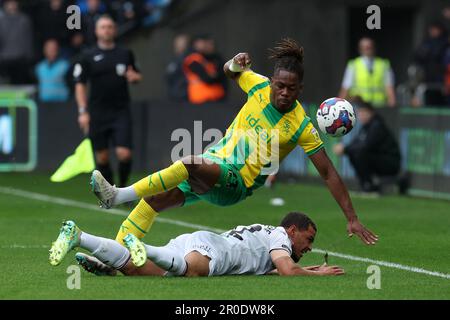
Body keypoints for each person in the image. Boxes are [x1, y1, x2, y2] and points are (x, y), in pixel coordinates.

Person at [89, 38, 377, 278]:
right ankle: (115, 259)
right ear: (273, 81)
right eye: (280, 85)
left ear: (300, 89)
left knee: (189, 163)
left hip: (236, 183)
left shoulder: (302, 126)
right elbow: (230, 71)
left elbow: (328, 173)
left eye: (291, 88)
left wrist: (352, 218)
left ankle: (116, 196)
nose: (284, 93)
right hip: (216, 164)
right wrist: (235, 64)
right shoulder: (259, 85)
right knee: (152, 202)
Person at [49, 211, 345, 277]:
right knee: (190, 273)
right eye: (308, 239)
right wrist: (316, 274)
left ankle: (79, 236)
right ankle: (145, 247)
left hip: (197, 242)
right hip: (213, 252)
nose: (309, 246)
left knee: (136, 270)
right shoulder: (279, 236)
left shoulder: (272, 238)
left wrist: (299, 265)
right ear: (292, 230)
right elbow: (287, 271)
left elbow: (282, 267)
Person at [74, 15, 142, 187]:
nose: (107, 30)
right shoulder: (87, 56)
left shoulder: (125, 54)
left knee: (124, 154)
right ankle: (111, 191)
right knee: (102, 156)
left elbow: (136, 74)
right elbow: (80, 85)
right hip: (97, 112)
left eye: (110, 26)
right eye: (103, 27)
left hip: (121, 110)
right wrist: (83, 111)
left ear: (115, 30)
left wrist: (134, 77)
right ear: (97, 31)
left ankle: (123, 189)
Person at [332, 100, 401, 193]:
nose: (361, 115)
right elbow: (356, 143)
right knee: (354, 153)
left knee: (360, 154)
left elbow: (366, 146)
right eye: (360, 112)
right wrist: (344, 148)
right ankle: (365, 184)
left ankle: (370, 186)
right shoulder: (366, 127)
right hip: (379, 160)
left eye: (364, 112)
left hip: (390, 163)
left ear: (371, 112)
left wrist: (345, 149)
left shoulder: (377, 126)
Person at [339, 37, 396, 108]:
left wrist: (392, 102)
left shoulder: (383, 64)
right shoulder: (354, 65)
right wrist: (340, 105)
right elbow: (346, 86)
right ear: (360, 49)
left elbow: (389, 86)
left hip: (379, 106)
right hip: (359, 105)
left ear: (374, 48)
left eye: (369, 47)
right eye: (364, 47)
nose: (367, 50)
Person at [183, 34, 226, 104]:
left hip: (214, 98)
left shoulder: (209, 58)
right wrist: (216, 75)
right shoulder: (193, 59)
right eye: (203, 43)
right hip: (201, 99)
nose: (205, 46)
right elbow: (208, 78)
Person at [414, 22, 449, 106]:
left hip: (442, 81)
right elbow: (417, 58)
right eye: (432, 29)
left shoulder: (445, 44)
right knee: (428, 102)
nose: (433, 31)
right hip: (427, 80)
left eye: (436, 29)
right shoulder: (426, 43)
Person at [0, 0, 34, 84]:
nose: (11, 6)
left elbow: (28, 39)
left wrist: (29, 56)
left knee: (19, 85)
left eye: (13, 3)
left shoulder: (24, 20)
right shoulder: (1, 21)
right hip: (4, 59)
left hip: (20, 58)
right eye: (9, 4)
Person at [166, 33, 190, 102]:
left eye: (181, 43)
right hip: (175, 97)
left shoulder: (190, 59)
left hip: (187, 97)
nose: (177, 46)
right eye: (176, 43)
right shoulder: (173, 60)